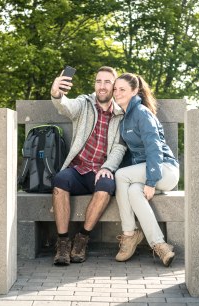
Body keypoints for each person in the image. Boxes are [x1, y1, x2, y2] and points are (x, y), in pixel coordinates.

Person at [50, 66, 126, 265]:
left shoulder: (120, 114)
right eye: (98, 81)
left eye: (107, 82)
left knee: (106, 186)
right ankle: (63, 242)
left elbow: (119, 147)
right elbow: (65, 106)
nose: (102, 86)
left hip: (99, 171)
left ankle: (82, 239)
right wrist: (56, 93)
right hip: (78, 169)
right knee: (60, 180)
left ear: (114, 86)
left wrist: (108, 168)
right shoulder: (84, 103)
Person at [113, 73, 179, 267]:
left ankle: (129, 234)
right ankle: (160, 246)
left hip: (165, 170)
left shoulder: (141, 112)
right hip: (148, 172)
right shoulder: (125, 118)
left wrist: (151, 181)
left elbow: (154, 148)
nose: (117, 92)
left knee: (121, 175)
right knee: (133, 191)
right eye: (115, 89)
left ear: (135, 91)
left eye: (122, 89)